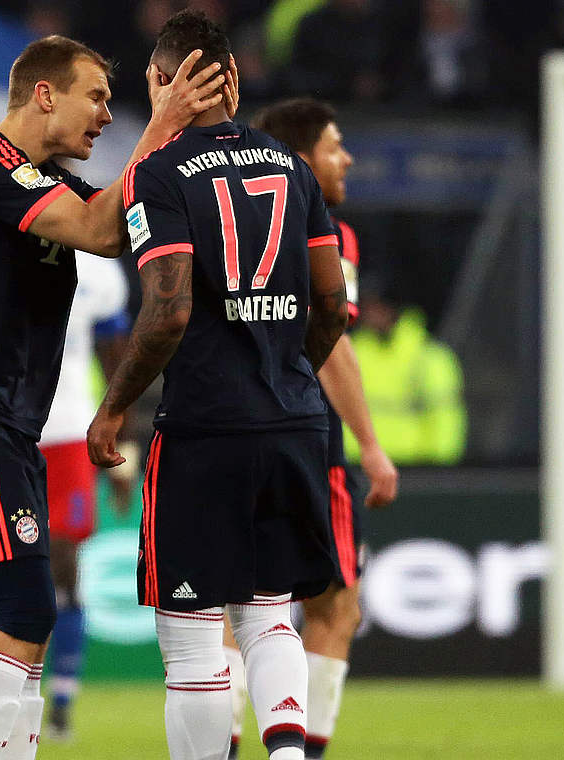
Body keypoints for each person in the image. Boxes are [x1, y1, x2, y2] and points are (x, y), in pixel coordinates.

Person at [0, 33, 227, 759]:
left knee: (29, 612)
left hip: (1, 419)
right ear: (45, 94)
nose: (108, 116)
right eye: (97, 97)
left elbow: (111, 233)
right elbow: (97, 225)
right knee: (24, 605)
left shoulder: (38, 178)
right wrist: (162, 121)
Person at [86, 11, 349, 760]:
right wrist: (285, 365)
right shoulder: (294, 169)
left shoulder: (159, 177)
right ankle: (291, 755)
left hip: (206, 426)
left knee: (193, 633)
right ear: (233, 80)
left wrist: (115, 408)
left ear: (161, 85)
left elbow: (168, 311)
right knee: (269, 616)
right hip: (294, 418)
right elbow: (332, 303)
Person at [250, 97, 399, 759]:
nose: (348, 159)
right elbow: (332, 342)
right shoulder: (326, 233)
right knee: (336, 608)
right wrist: (370, 445)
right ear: (304, 158)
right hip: (306, 438)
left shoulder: (216, 215)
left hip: (212, 425)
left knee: (230, 609)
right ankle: (301, 755)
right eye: (337, 146)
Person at [36, 252, 132, 741]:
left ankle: (61, 703)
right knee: (5, 568)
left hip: (69, 431)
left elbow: (117, 361)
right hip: (3, 429)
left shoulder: (97, 269)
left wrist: (122, 446)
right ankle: (12, 696)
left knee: (63, 566)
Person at [346, 291, 466, 464]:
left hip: (415, 469)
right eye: (367, 305)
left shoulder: (429, 357)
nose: (371, 313)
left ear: (393, 308)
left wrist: (440, 472)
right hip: (359, 467)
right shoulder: (352, 352)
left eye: (378, 305)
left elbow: (446, 420)